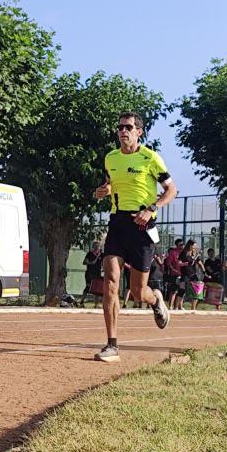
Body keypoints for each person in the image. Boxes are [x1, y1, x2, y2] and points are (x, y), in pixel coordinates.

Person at [93, 113, 177, 362]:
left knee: (138, 292)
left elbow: (171, 190)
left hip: (142, 226)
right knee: (110, 282)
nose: (123, 131)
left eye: (128, 127)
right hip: (118, 224)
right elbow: (112, 183)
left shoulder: (150, 158)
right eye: (120, 127)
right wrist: (105, 190)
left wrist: (152, 208)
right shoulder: (111, 158)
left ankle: (156, 300)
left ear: (139, 131)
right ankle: (112, 344)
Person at [178, 239, 204, 311]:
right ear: (189, 245)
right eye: (193, 246)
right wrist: (186, 263)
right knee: (182, 290)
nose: (194, 247)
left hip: (193, 274)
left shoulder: (195, 254)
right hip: (185, 274)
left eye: (195, 246)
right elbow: (178, 263)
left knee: (196, 291)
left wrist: (204, 270)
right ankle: (177, 306)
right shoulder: (184, 253)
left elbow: (200, 263)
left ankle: (193, 308)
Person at [163, 238, 185, 310]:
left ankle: (180, 306)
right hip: (175, 275)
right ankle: (171, 306)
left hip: (183, 274)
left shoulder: (185, 252)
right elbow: (168, 263)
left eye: (183, 244)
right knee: (174, 291)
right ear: (177, 245)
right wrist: (173, 270)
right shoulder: (173, 253)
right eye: (180, 245)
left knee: (182, 290)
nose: (182, 246)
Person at [80, 241, 104, 306]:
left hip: (97, 273)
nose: (97, 247)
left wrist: (104, 268)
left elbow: (103, 263)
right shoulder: (90, 254)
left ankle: (96, 304)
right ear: (93, 246)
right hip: (90, 272)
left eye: (98, 246)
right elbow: (84, 262)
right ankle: (82, 301)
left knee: (97, 289)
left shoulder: (101, 254)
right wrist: (90, 263)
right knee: (88, 286)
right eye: (96, 245)